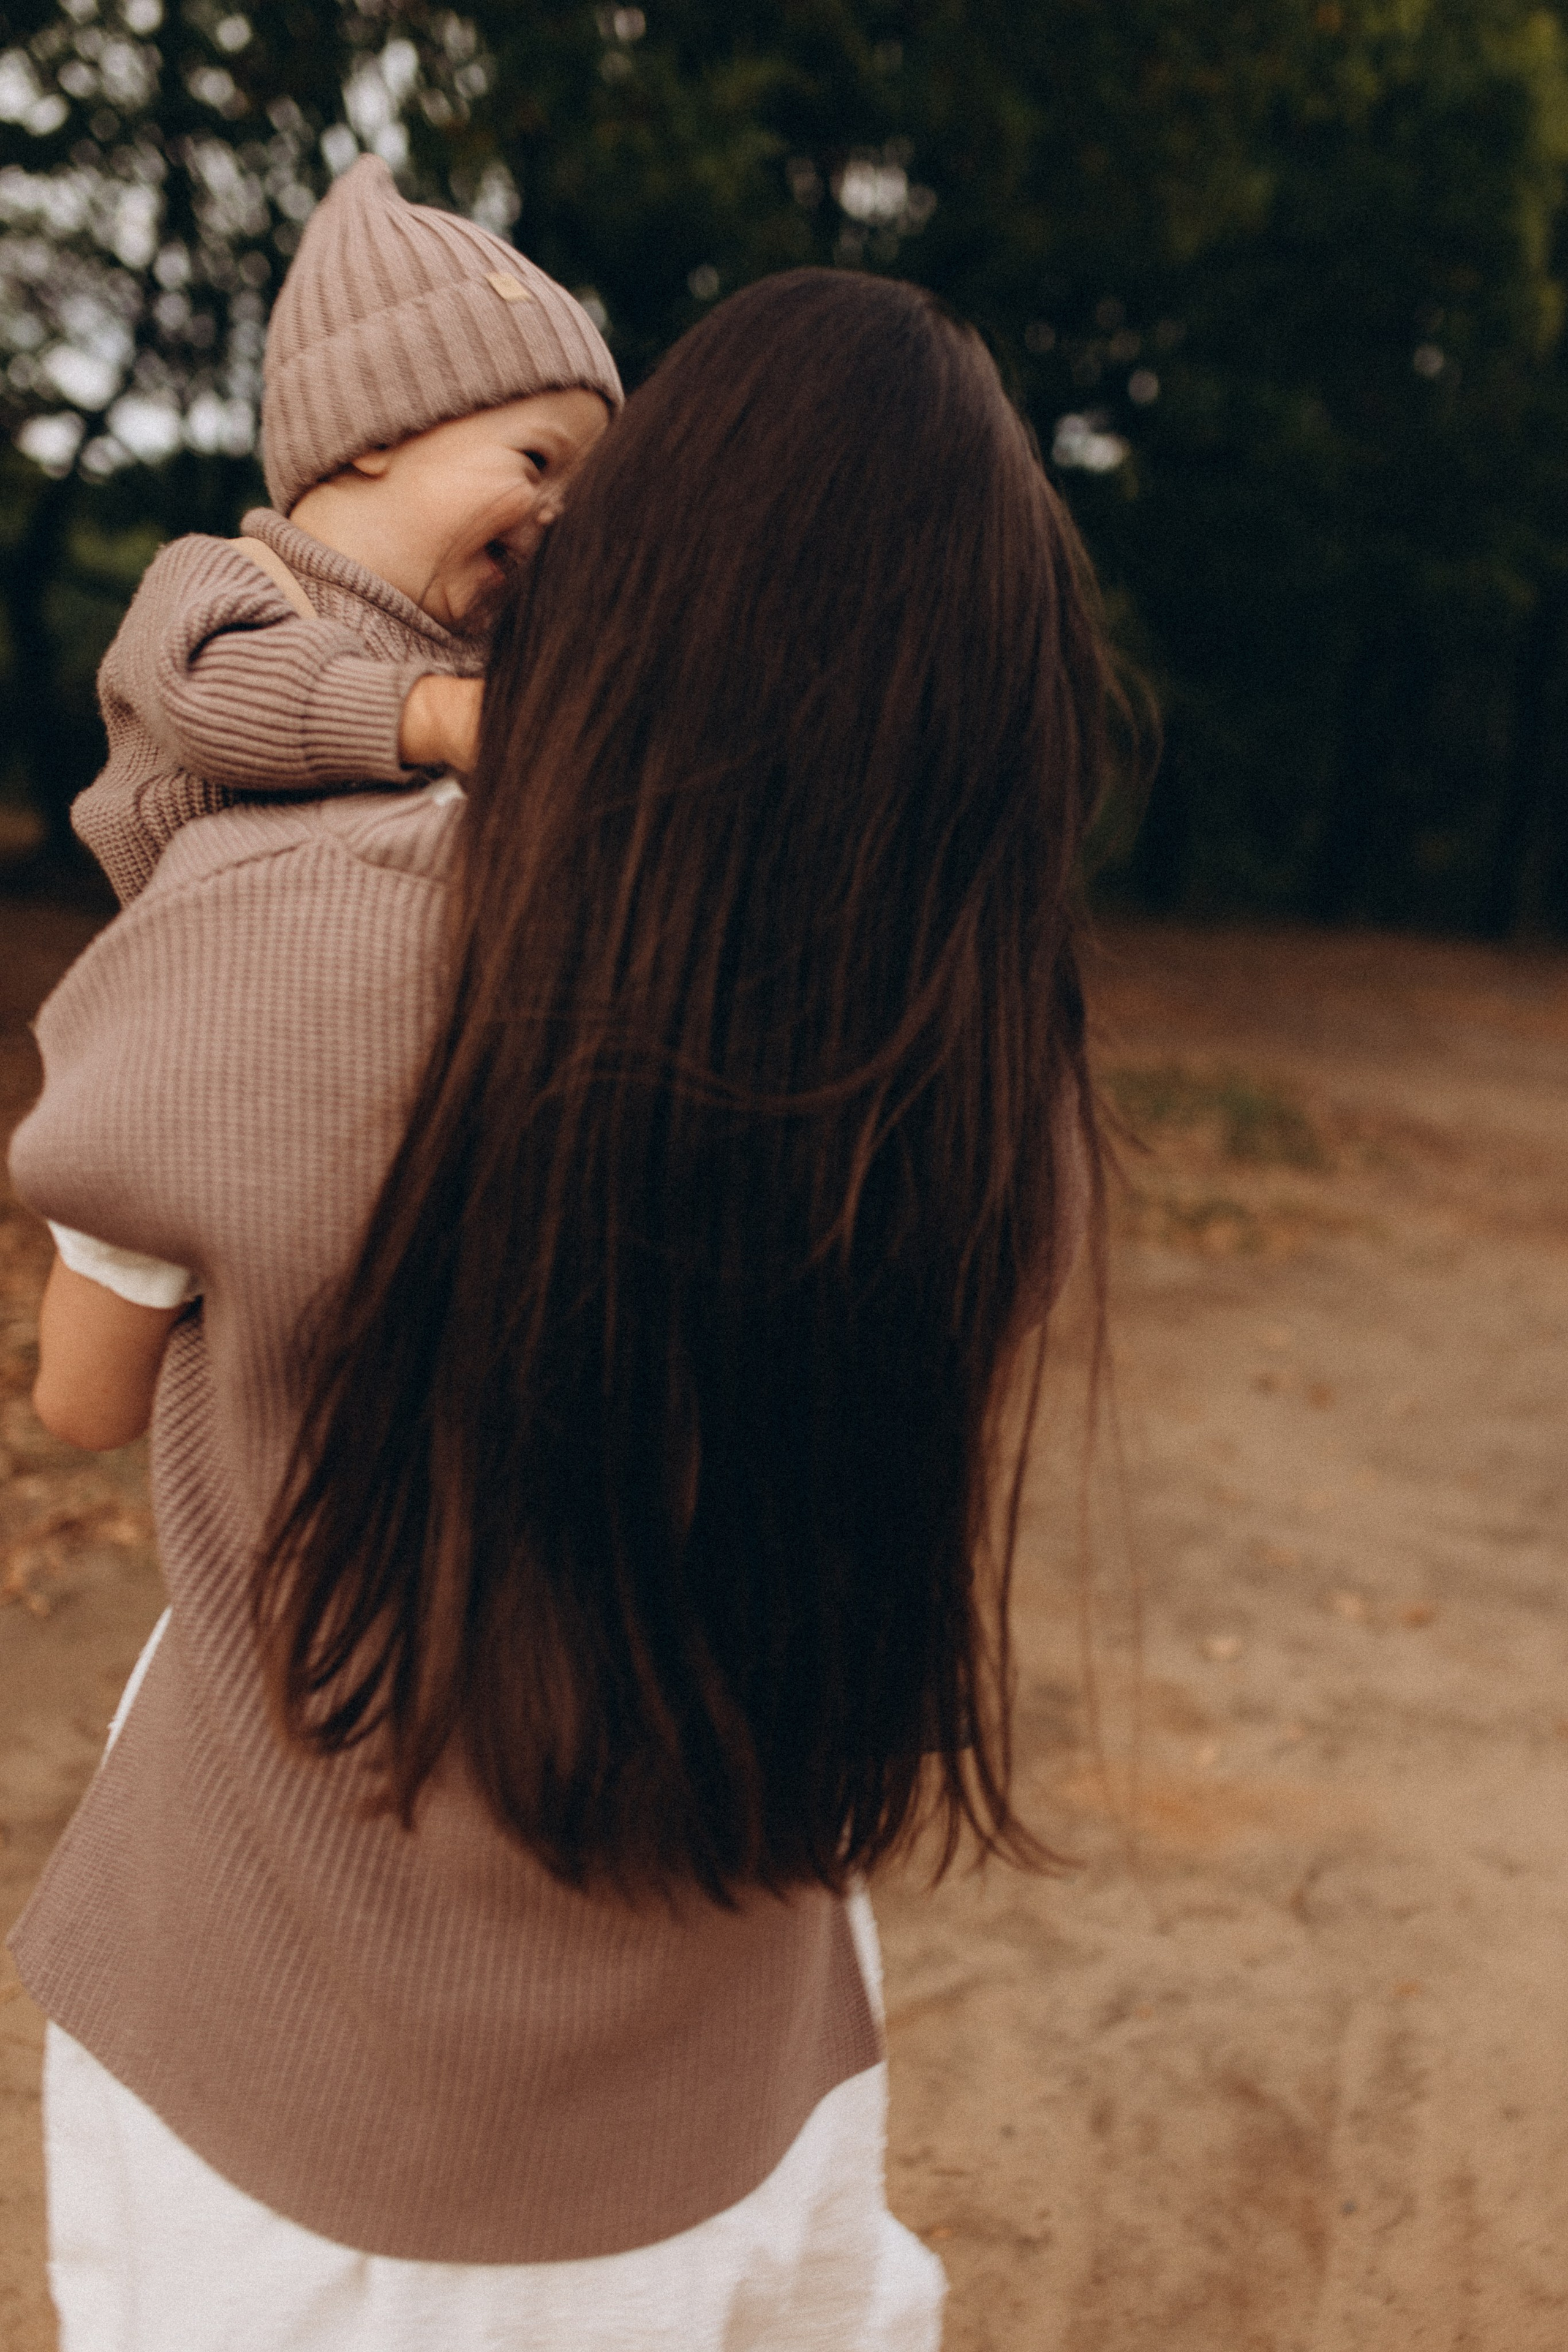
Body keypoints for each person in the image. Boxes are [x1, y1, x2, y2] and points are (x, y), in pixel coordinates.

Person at [11, 265, 1115, 2351]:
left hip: (306, 2119)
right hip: (746, 2089)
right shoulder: (992, 1089)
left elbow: (82, 1395)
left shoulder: (287, 938)